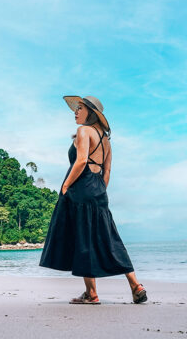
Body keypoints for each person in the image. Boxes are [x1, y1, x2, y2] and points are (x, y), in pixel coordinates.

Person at [39, 95, 147, 305]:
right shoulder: (106, 141)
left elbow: (80, 162)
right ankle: (135, 285)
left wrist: (66, 185)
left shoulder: (83, 131)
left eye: (79, 108)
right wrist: (99, 191)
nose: (75, 112)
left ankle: (92, 294)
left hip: (80, 187)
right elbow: (107, 171)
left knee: (83, 239)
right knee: (110, 239)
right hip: (98, 189)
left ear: (91, 112)